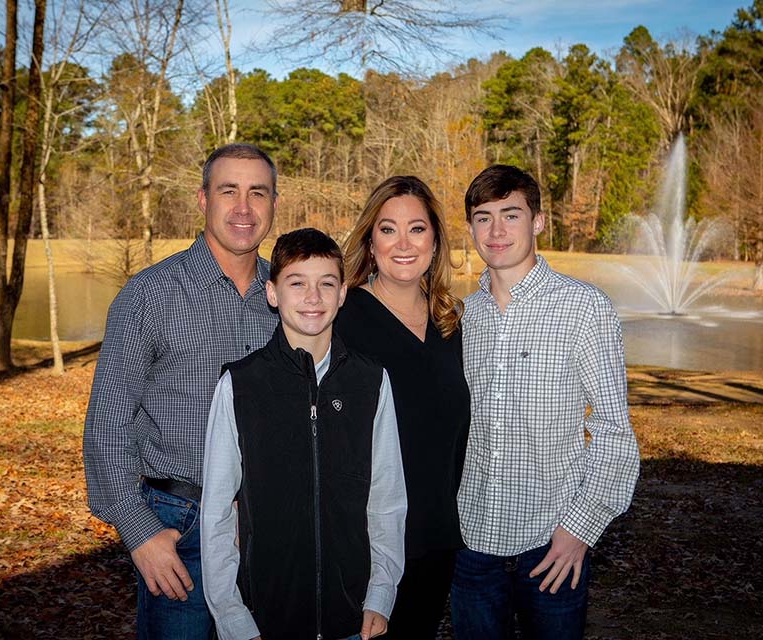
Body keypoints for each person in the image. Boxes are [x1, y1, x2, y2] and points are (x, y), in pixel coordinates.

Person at [83, 143, 280, 639]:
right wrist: (140, 532)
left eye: (258, 192)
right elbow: (107, 424)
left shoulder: (289, 296)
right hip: (179, 526)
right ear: (203, 199)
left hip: (267, 527)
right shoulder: (150, 295)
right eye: (228, 191)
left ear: (274, 203)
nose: (243, 207)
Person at [451, 164, 641, 640]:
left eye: (511, 215)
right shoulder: (462, 316)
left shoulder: (584, 307)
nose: (496, 231)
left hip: (552, 543)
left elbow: (614, 430)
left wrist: (581, 528)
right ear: (470, 228)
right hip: (472, 544)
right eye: (483, 217)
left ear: (537, 221)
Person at [201, 228, 407, 640]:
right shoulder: (241, 386)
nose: (313, 297)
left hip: (351, 617)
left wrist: (381, 593)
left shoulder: (370, 381)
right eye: (297, 283)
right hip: (266, 619)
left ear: (342, 294)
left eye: (326, 284)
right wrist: (232, 616)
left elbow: (387, 499)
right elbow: (217, 513)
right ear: (272, 293)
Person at [335, 176, 471, 639]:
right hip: (364, 547)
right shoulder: (341, 319)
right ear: (370, 242)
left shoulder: (451, 323)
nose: (404, 243)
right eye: (388, 229)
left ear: (435, 241)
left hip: (435, 540)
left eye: (417, 229)